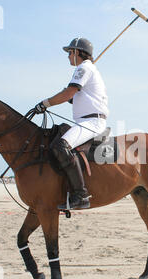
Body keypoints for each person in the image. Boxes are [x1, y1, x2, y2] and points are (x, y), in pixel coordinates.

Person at [34, 37, 109, 210]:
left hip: (92, 121)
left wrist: (44, 104)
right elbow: (72, 96)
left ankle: (81, 195)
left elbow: (68, 93)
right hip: (86, 120)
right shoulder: (87, 69)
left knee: (61, 146)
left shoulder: (84, 68)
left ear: (77, 52)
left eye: (69, 53)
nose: (68, 56)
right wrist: (69, 95)